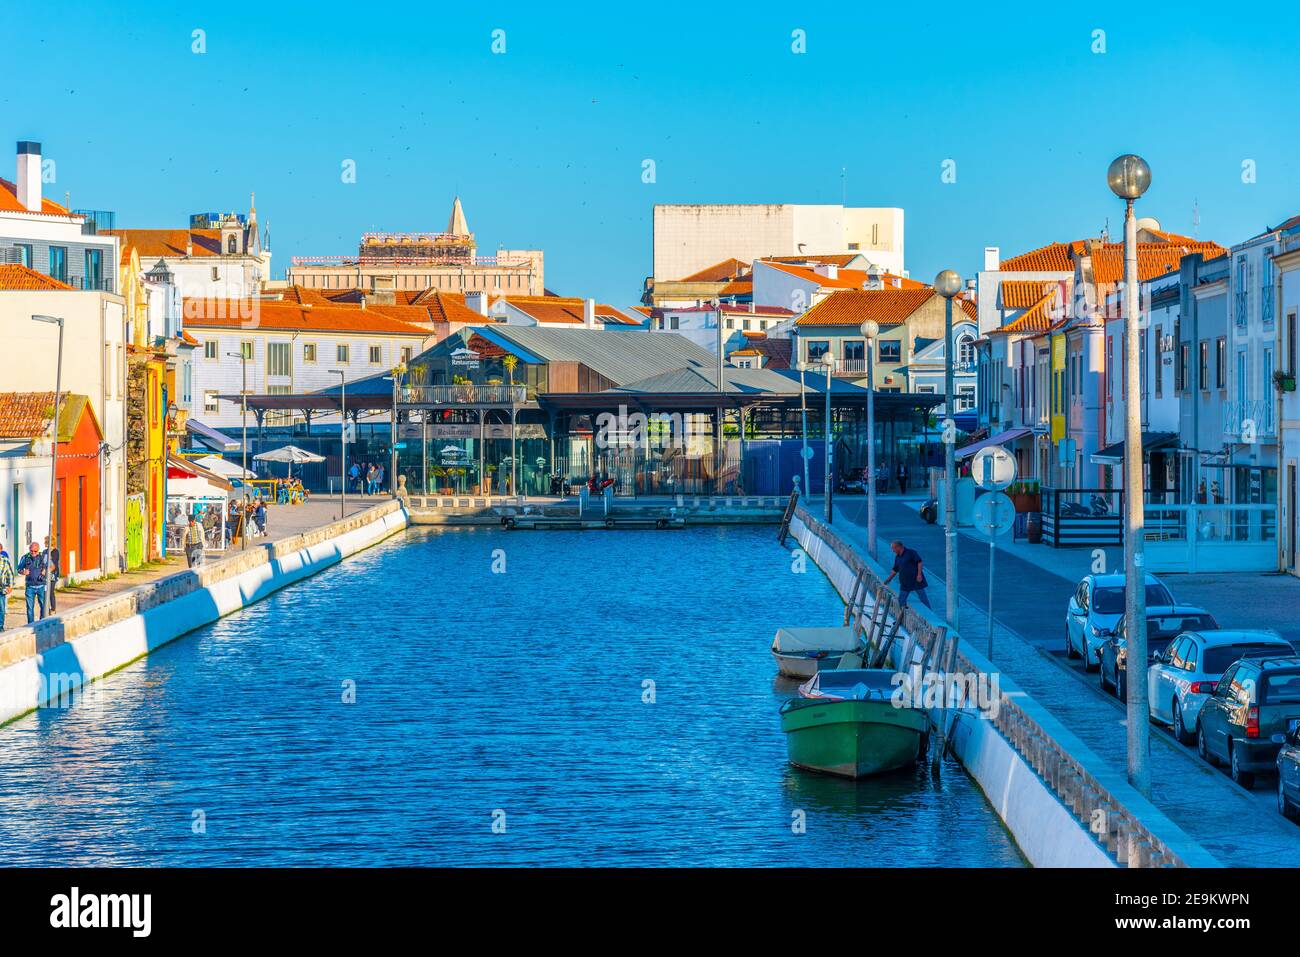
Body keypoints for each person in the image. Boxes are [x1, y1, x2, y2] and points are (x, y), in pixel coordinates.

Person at [882, 539, 931, 609]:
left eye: (893, 548)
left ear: (899, 547)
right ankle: (903, 615)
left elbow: (919, 562)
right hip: (905, 582)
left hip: (916, 580)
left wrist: (919, 575)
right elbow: (895, 569)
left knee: (923, 599)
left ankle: (929, 613)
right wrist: (888, 579)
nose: (893, 550)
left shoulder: (911, 553)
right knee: (901, 600)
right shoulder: (897, 557)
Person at [16, 541, 49, 623]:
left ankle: (42, 622)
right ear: (29, 549)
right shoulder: (25, 557)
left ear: (38, 550)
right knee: (30, 608)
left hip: (41, 586)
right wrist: (23, 572)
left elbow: (51, 566)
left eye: (35, 551)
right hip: (30, 587)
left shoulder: (42, 556)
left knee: (43, 606)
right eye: (31, 551)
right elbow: (18, 569)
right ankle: (31, 625)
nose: (33, 553)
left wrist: (45, 570)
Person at [0, 545, 14, 631]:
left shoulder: (5, 560)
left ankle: (0, 626)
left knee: (1, 608)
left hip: (2, 588)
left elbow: (10, 574)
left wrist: (10, 586)